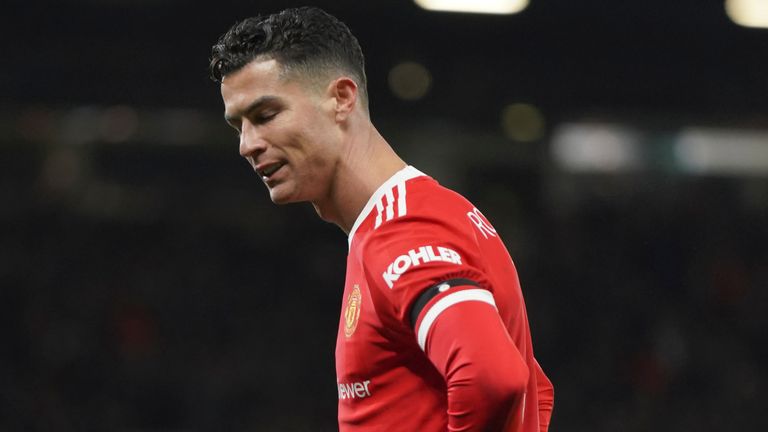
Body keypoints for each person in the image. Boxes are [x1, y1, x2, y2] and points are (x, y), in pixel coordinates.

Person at [209, 6, 553, 431]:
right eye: (238, 126)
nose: (248, 145)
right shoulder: (411, 216)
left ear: (341, 98)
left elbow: (493, 377)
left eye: (265, 115)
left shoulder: (403, 227)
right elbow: (537, 389)